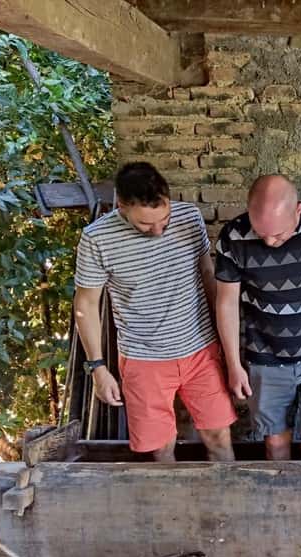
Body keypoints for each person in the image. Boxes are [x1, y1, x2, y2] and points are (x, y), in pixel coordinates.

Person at [73, 162, 236, 461]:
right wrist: (98, 368)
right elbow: (85, 305)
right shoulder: (96, 238)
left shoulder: (188, 216)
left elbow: (207, 275)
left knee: (219, 436)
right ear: (122, 206)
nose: (159, 230)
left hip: (200, 349)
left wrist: (226, 344)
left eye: (164, 218)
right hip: (143, 359)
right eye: (146, 225)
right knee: (161, 447)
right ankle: (171, 507)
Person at [215, 175, 301, 460]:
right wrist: (233, 365)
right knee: (275, 445)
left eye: (278, 234)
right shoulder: (233, 237)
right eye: (260, 232)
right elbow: (226, 303)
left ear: (297, 210)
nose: (269, 242)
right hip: (265, 356)